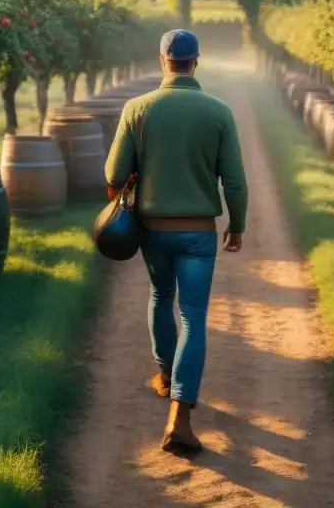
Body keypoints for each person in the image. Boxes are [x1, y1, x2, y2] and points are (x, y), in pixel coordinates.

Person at [105, 28, 248, 455]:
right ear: (196, 61)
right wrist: (236, 224)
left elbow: (114, 175)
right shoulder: (218, 112)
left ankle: (166, 376)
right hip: (198, 233)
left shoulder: (138, 108)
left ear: (162, 60)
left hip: (153, 230)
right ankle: (180, 418)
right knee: (193, 317)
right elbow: (235, 182)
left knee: (160, 295)